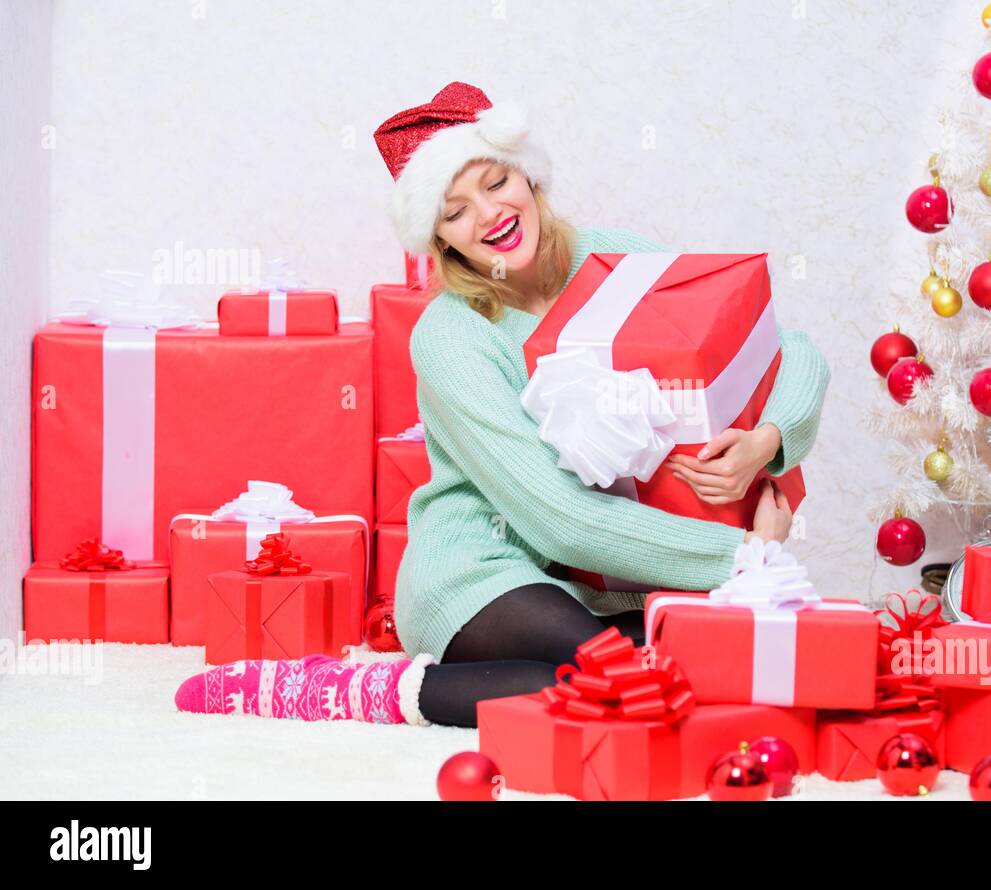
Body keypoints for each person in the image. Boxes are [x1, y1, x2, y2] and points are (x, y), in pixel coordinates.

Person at [174, 82, 830, 728]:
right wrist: (742, 556)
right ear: (440, 239)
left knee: (702, 674)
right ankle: (352, 692)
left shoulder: (619, 258)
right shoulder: (452, 335)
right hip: (483, 571)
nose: (487, 214)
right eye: (454, 211)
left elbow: (781, 344)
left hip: (610, 576)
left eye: (495, 183)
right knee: (618, 682)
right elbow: (558, 518)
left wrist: (771, 438)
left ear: (527, 176)